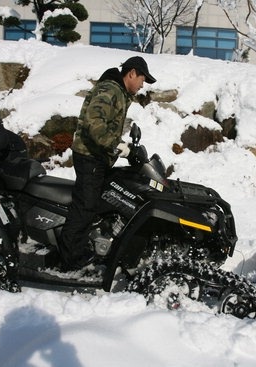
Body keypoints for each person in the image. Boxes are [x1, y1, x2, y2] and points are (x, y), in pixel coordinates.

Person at [59, 56, 156, 270]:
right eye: (142, 79)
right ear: (131, 73)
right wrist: (118, 146)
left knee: (104, 199)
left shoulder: (118, 91)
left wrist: (123, 147)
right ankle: (70, 260)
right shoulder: (110, 90)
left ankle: (97, 242)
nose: (142, 85)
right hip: (89, 156)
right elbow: (95, 124)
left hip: (98, 155)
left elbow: (106, 128)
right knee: (86, 205)